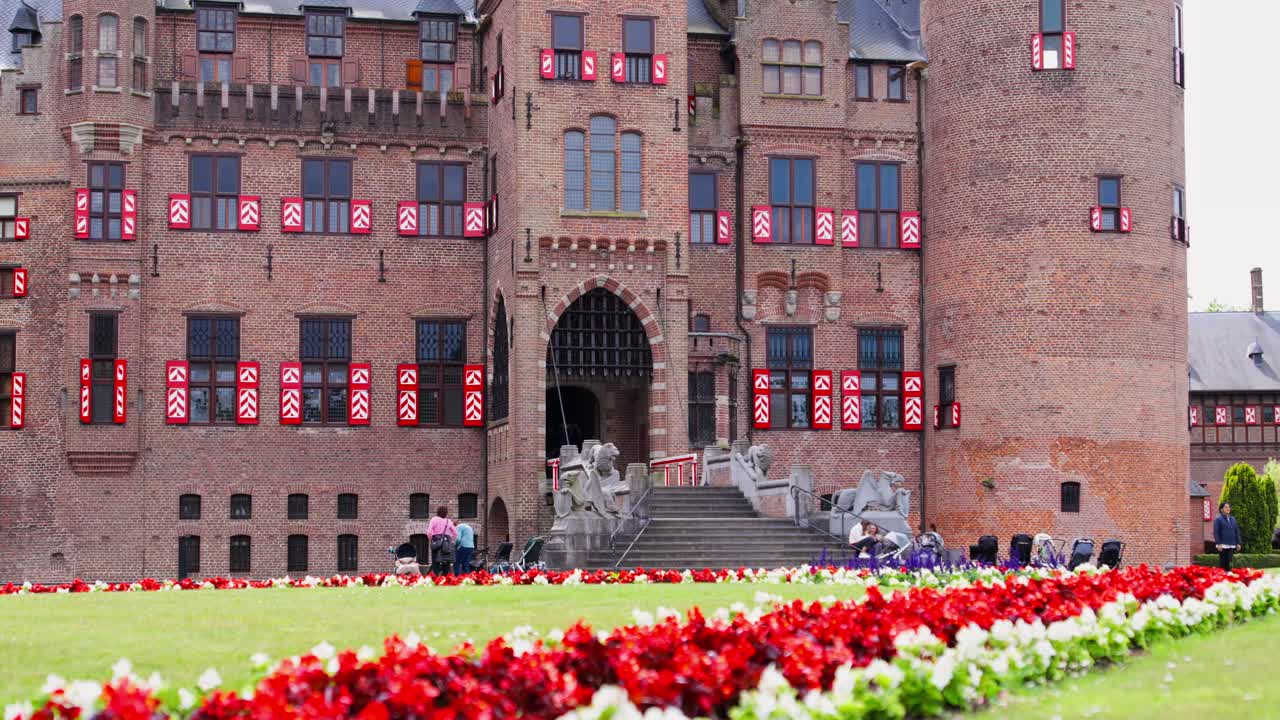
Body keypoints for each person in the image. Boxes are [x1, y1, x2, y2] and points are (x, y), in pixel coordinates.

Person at [427, 506, 458, 575]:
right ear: (446, 512)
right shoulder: (448, 521)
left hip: (436, 541)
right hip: (446, 543)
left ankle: (436, 576)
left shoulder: (434, 519)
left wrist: (431, 540)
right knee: (446, 561)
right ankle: (445, 578)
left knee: (435, 561)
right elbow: (455, 533)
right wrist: (452, 541)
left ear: (438, 511)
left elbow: (429, 532)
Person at [1213, 501, 1242, 570]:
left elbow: (1236, 531)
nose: (1228, 508)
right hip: (1222, 545)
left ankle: (1229, 575)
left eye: (1229, 507)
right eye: (1226, 507)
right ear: (1221, 509)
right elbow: (1216, 532)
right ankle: (1223, 576)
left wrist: (1238, 543)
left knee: (1230, 561)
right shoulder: (1218, 519)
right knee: (1223, 562)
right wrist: (1218, 544)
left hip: (1231, 544)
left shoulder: (1233, 519)